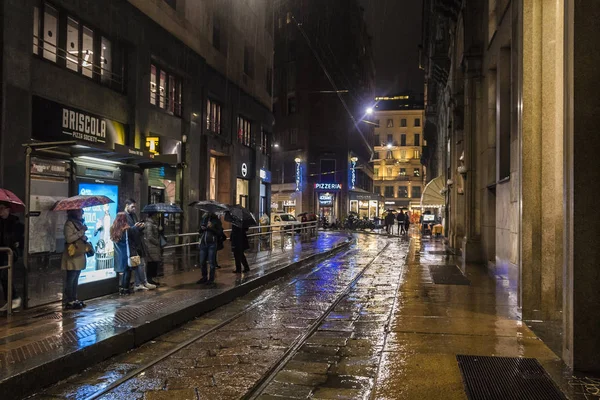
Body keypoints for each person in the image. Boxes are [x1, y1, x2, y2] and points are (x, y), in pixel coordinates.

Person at [124, 199, 155, 291]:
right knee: (138, 264)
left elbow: (135, 228)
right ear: (127, 205)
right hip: (131, 244)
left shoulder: (133, 215)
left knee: (140, 263)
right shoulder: (124, 216)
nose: (134, 209)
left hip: (138, 242)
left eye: (135, 207)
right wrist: (135, 227)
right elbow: (126, 231)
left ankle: (140, 283)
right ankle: (140, 283)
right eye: (132, 207)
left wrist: (141, 227)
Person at [61, 209, 89, 309]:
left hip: (79, 253)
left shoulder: (80, 223)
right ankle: (69, 300)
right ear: (74, 213)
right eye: (80, 212)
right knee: (71, 277)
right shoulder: (69, 224)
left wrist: (84, 236)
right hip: (72, 254)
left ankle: (74, 297)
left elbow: (80, 237)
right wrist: (81, 232)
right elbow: (69, 238)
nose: (82, 214)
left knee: (76, 277)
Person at [110, 212, 142, 295]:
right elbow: (135, 239)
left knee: (123, 272)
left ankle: (122, 288)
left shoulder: (113, 229)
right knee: (127, 272)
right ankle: (125, 288)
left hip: (118, 254)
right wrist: (136, 228)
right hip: (127, 253)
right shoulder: (127, 229)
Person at [0, 203, 23, 311]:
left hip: (9, 253)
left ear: (8, 209)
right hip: (2, 253)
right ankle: (9, 300)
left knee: (5, 276)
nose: (0, 211)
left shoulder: (15, 221)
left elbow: (15, 237)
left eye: (2, 208)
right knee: (3, 276)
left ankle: (13, 298)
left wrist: (14, 243)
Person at [197, 211, 223, 285]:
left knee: (211, 262)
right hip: (203, 243)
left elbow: (219, 233)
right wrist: (202, 228)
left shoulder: (216, 221)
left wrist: (211, 227)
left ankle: (211, 279)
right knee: (202, 262)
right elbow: (199, 231)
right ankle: (204, 277)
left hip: (212, 244)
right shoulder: (204, 219)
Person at [142, 212, 162, 286]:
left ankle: (151, 279)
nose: (157, 216)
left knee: (154, 263)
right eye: (156, 214)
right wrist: (157, 242)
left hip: (153, 247)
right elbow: (150, 236)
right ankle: (149, 279)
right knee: (151, 263)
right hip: (151, 247)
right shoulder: (149, 224)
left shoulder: (153, 223)